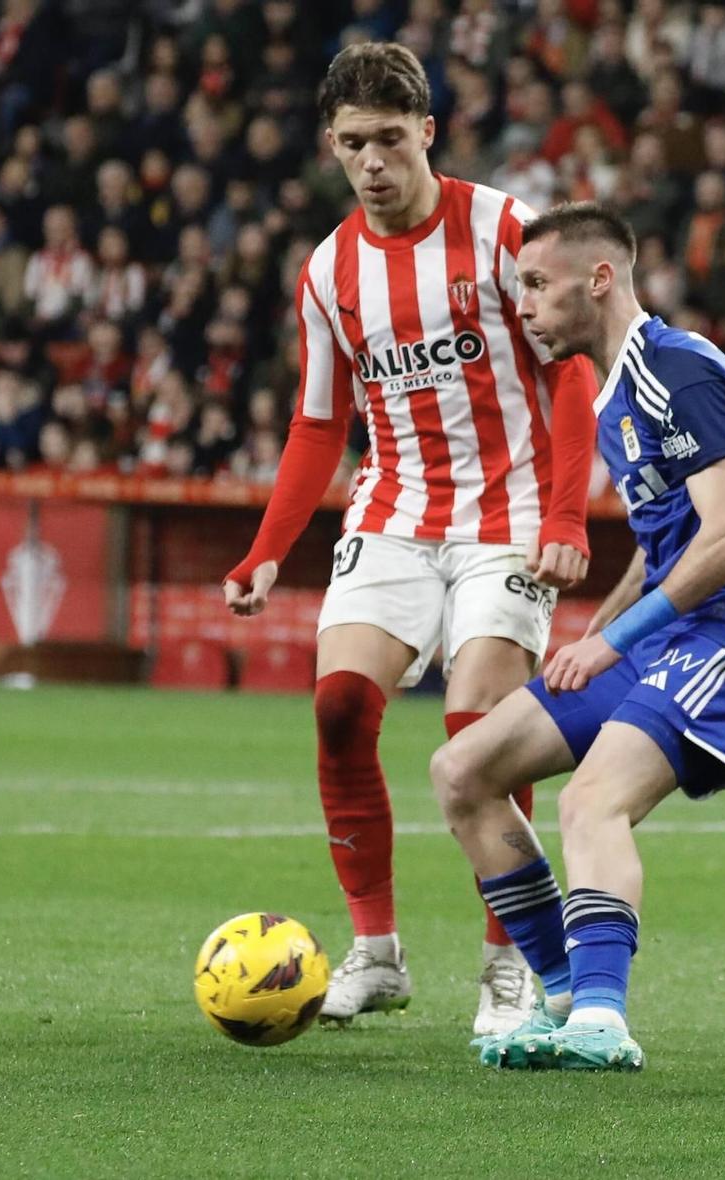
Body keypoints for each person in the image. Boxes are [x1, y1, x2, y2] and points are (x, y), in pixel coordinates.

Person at [220, 44, 598, 1038]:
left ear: (427, 131)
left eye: (390, 139)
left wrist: (564, 516)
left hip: (506, 511)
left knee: (476, 725)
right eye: (353, 144)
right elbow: (316, 425)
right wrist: (266, 548)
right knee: (340, 707)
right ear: (331, 148)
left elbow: (567, 374)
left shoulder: (505, 228)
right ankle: (376, 953)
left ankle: (508, 961)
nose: (372, 161)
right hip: (392, 509)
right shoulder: (328, 269)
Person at [428, 202, 725, 1072]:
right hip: (673, 627)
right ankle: (564, 996)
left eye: (535, 284)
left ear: (597, 280)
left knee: (588, 802)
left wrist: (613, 641)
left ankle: (602, 1023)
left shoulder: (679, 370)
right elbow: (666, 539)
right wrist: (597, 631)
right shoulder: (615, 388)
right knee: (463, 771)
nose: (520, 303)